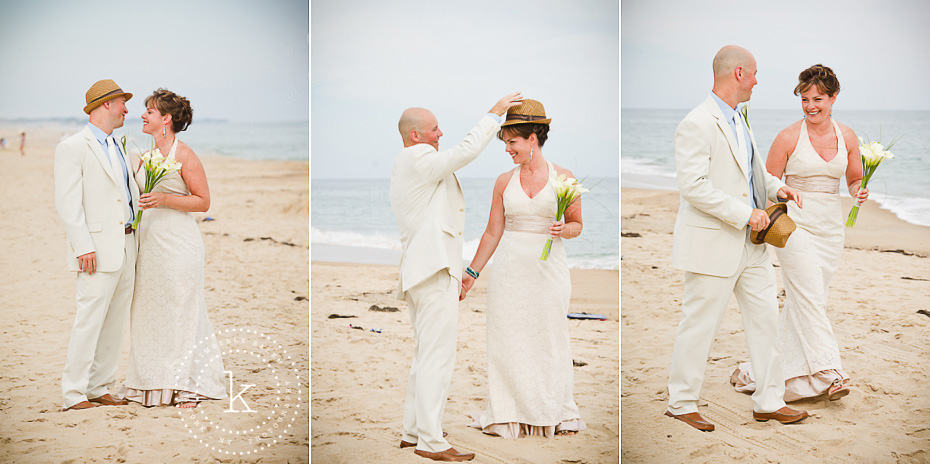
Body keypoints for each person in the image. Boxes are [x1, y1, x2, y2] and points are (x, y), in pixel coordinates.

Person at [665, 45, 809, 432]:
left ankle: (769, 401)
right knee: (699, 325)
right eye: (756, 74)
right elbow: (693, 187)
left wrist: (778, 191)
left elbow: (753, 174)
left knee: (765, 322)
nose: (759, 81)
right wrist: (747, 214)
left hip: (754, 246)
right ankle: (680, 403)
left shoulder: (740, 119)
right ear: (739, 73)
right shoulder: (696, 122)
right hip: (714, 243)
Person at [390, 92, 522, 462]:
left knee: (424, 355)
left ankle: (412, 431)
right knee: (437, 358)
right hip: (432, 272)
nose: (440, 134)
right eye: (434, 130)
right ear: (416, 136)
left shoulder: (412, 162)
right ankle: (431, 441)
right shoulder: (418, 158)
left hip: (425, 270)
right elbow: (465, 152)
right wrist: (494, 114)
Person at [730, 64, 867, 401]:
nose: (810, 106)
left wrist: (859, 190)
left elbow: (854, 177)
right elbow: (765, 184)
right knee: (807, 296)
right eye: (805, 99)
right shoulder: (788, 137)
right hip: (794, 228)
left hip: (831, 229)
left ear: (833, 98)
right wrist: (774, 201)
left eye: (817, 99)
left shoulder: (847, 136)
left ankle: (762, 369)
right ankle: (830, 371)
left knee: (810, 299)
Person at [460, 99, 586, 438]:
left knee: (550, 337)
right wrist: (471, 274)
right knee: (508, 338)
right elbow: (492, 232)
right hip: (509, 273)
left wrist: (564, 230)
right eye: (505, 143)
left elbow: (577, 224)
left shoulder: (564, 177)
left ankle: (554, 410)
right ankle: (507, 413)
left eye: (512, 142)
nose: (507, 149)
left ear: (533, 138)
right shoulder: (503, 181)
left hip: (549, 272)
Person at [120, 89, 227, 408]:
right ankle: (151, 383)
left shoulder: (184, 155)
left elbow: (203, 201)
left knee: (182, 309)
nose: (143, 116)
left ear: (166, 119)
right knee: (150, 312)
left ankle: (187, 384)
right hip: (148, 244)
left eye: (149, 112)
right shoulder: (146, 156)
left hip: (179, 243)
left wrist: (166, 200)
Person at [55, 79, 139, 410]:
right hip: (95, 249)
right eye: (122, 103)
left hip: (128, 245)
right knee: (89, 321)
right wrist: (82, 246)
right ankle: (73, 393)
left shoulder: (119, 145)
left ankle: (101, 386)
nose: (126, 109)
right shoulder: (73, 146)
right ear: (106, 104)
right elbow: (67, 202)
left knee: (115, 321)